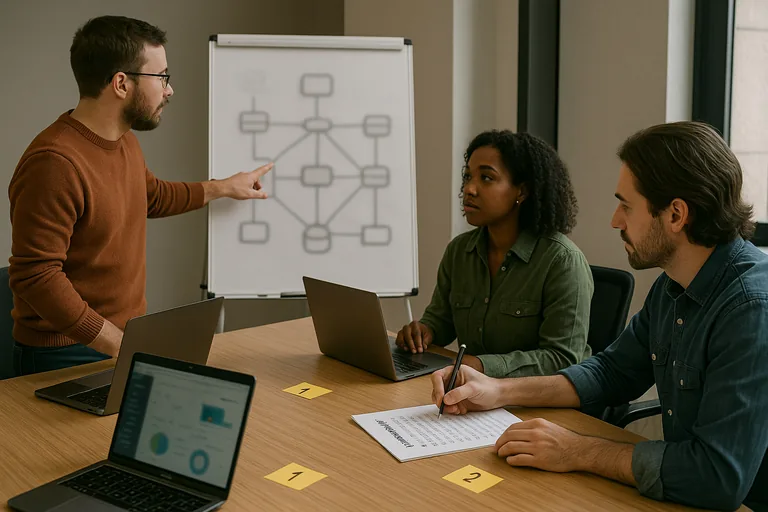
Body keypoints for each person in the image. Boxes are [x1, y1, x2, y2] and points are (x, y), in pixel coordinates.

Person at [431, 121, 768, 511]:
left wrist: (578, 451)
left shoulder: (751, 310)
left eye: (626, 205)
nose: (615, 220)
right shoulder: (673, 287)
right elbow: (611, 372)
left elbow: (716, 477)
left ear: (676, 215)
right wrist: (497, 390)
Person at [9, 16, 272, 375]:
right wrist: (120, 344)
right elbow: (36, 276)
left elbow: (152, 196)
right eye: (161, 76)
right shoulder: (54, 163)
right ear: (121, 83)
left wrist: (224, 187)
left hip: (116, 341)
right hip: (65, 353)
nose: (169, 89)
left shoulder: (124, 143)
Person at [396, 130, 593, 378]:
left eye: (486, 178)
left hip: (537, 405)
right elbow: (441, 321)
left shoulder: (562, 261)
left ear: (521, 192)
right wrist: (424, 332)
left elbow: (562, 358)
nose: (469, 189)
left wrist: (481, 365)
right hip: (475, 395)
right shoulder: (459, 251)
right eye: (468, 176)